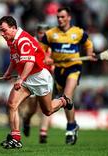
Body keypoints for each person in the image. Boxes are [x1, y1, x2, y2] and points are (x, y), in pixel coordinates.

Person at [0, 16, 73, 149]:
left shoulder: (23, 40)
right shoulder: (11, 40)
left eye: (4, 30)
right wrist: (8, 72)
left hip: (39, 78)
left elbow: (30, 62)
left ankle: (63, 101)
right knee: (12, 104)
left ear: (13, 28)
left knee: (47, 111)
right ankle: (15, 138)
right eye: (0, 31)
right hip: (26, 78)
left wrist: (21, 79)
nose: (2, 34)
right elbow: (14, 59)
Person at [41, 7, 97, 145]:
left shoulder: (78, 32)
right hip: (58, 70)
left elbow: (88, 43)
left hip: (74, 68)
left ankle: (70, 128)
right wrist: (46, 58)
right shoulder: (50, 34)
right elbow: (41, 50)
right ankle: (73, 125)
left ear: (69, 17)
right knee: (65, 101)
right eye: (58, 17)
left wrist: (90, 54)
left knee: (67, 96)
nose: (60, 19)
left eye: (63, 17)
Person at [22, 23, 54, 143]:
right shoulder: (31, 43)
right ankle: (26, 119)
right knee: (33, 108)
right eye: (41, 33)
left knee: (46, 106)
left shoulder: (52, 44)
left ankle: (43, 133)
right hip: (33, 78)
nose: (42, 35)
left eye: (45, 33)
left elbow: (56, 60)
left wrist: (53, 62)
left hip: (46, 78)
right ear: (37, 32)